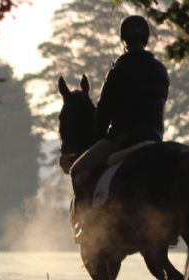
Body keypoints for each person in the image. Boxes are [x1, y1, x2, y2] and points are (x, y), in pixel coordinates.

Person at [69, 15, 170, 187]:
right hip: (154, 137)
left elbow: (104, 110)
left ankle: (88, 214)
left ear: (124, 40)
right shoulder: (160, 70)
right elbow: (160, 103)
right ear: (146, 39)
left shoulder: (118, 70)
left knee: (77, 171)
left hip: (123, 138)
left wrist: (98, 137)